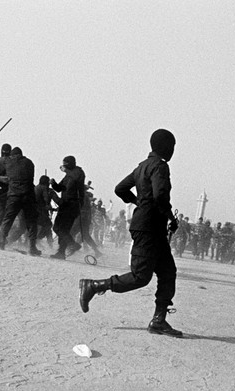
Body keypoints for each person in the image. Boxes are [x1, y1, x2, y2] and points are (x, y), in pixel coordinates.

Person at [78, 129, 183, 337]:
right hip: (149, 227)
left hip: (149, 227)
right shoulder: (160, 166)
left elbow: (120, 189)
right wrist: (170, 218)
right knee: (140, 276)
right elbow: (160, 196)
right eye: (172, 146)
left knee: (168, 272)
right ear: (165, 147)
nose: (172, 150)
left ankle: (159, 320)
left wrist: (139, 202)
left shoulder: (142, 167)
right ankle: (94, 286)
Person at [49, 155, 86, 259]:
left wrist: (66, 171)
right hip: (65, 204)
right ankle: (61, 252)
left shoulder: (78, 172)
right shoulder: (68, 175)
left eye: (65, 164)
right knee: (63, 230)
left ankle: (72, 244)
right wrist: (53, 184)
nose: (64, 166)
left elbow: (76, 179)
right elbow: (59, 188)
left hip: (72, 205)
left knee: (59, 228)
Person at [34, 174, 58, 246]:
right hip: (41, 212)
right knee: (47, 226)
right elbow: (46, 202)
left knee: (47, 227)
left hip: (34, 211)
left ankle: (46, 243)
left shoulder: (35, 188)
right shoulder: (47, 190)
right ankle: (37, 241)